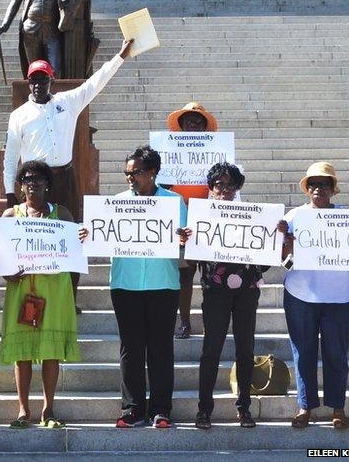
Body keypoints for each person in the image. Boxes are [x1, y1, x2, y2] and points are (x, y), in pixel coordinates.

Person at [2, 38, 133, 310]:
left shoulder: (68, 101)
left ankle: (69, 299)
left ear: (52, 79)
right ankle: (35, 296)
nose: (39, 85)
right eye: (34, 80)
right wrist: (10, 193)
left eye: (44, 79)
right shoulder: (19, 115)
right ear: (29, 83)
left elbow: (95, 83)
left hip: (65, 178)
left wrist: (120, 56)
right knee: (35, 241)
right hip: (34, 184)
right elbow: (11, 156)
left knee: (73, 236)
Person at [186, 162, 284, 430]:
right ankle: (204, 410)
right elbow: (192, 258)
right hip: (215, 291)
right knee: (211, 351)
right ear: (211, 188)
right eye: (219, 185)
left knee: (245, 350)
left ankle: (244, 408)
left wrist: (274, 240)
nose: (225, 190)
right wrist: (187, 240)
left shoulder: (253, 216)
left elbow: (264, 264)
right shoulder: (201, 218)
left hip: (246, 292)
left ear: (238, 187)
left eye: (230, 185)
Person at [107, 146, 187, 428]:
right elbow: (102, 236)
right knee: (130, 348)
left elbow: (187, 240)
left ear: (153, 172)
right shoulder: (115, 203)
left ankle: (161, 409)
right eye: (128, 173)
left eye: (137, 172)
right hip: (125, 284)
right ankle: (132, 409)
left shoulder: (174, 202)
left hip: (162, 284)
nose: (131, 178)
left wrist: (184, 238)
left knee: (161, 348)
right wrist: (88, 233)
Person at [0, 160, 81, 429]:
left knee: (51, 351)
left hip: (55, 289)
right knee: (22, 352)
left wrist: (82, 237)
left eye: (38, 179)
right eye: (27, 179)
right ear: (20, 185)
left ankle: (49, 408)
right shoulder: (10, 216)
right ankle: (23, 409)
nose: (32, 183)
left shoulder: (63, 215)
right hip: (22, 289)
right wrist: (6, 274)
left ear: (48, 184)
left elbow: (75, 254)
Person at [280, 162, 349, 430]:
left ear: (334, 190)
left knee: (337, 353)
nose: (317, 188)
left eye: (324, 183)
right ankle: (305, 405)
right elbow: (280, 259)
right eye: (312, 183)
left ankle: (338, 407)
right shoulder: (293, 217)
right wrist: (286, 247)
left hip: (339, 295)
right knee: (303, 353)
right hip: (300, 293)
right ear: (306, 189)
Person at [162, 101, 218, 340]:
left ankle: (211, 323)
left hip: (208, 218)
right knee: (185, 275)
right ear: (181, 126)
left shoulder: (216, 156)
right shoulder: (167, 156)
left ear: (205, 128)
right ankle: (184, 321)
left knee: (211, 276)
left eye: (198, 121)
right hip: (179, 221)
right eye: (188, 121)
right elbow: (159, 187)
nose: (193, 124)